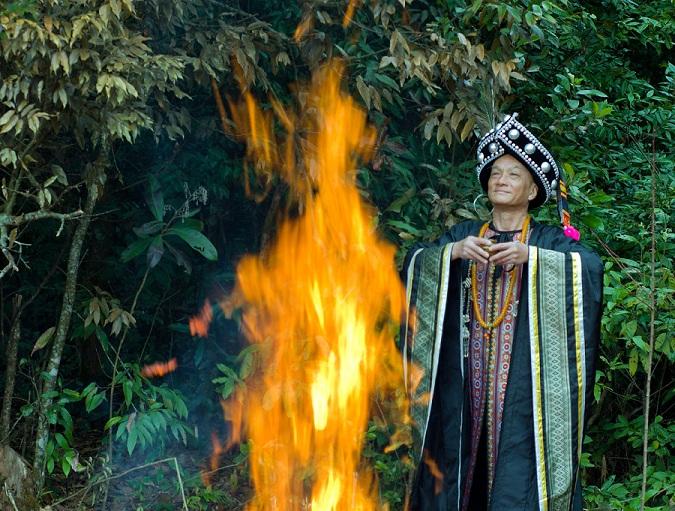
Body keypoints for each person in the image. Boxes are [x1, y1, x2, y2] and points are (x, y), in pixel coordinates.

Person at [402, 113, 603, 510]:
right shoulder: (464, 236)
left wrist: (533, 258)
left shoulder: (547, 240)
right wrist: (450, 256)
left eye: (513, 174)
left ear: (532, 191)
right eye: (495, 172)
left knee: (519, 467)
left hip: (523, 388)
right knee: (456, 460)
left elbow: (589, 268)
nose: (501, 179)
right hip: (463, 387)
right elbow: (413, 263)